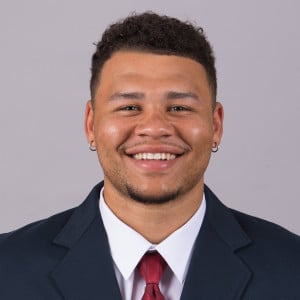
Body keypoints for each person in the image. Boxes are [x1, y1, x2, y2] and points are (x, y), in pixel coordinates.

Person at [0, 12, 299, 300]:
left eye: (179, 108)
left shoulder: (291, 268)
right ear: (91, 124)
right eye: (129, 107)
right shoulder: (8, 268)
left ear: (215, 124)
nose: (155, 128)